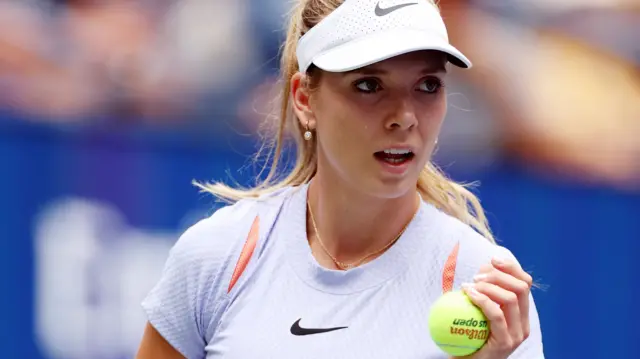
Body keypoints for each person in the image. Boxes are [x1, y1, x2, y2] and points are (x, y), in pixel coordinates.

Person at [135, 0, 545, 358]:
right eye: (369, 85)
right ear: (304, 99)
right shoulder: (216, 256)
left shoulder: (483, 283)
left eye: (427, 85)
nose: (405, 116)